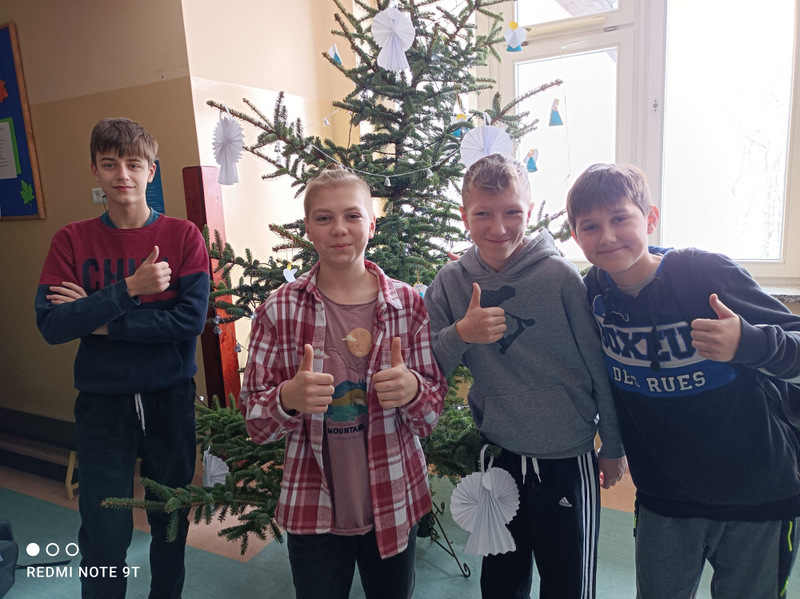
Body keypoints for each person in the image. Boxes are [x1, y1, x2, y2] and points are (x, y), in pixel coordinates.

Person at [566, 162, 800, 599]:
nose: (608, 236)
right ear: (576, 237)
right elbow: (595, 378)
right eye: (590, 226)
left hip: (759, 492)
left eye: (620, 218)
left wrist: (747, 342)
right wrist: (612, 447)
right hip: (664, 496)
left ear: (650, 218)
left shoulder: (705, 274)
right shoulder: (591, 292)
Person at [423, 153, 627, 599]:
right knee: (501, 580)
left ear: (530, 212)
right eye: (483, 214)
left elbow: (599, 367)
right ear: (464, 215)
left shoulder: (560, 277)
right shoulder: (450, 283)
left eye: (512, 212)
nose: (499, 228)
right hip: (500, 455)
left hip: (567, 457)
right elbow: (427, 367)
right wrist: (461, 333)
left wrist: (612, 446)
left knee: (568, 582)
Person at [239, 165, 446, 599]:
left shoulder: (408, 304)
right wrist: (287, 397)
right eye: (324, 218)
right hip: (312, 506)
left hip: (395, 499)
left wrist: (412, 391)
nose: (339, 229)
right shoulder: (279, 309)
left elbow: (430, 416)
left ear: (372, 224)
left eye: (352, 215)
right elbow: (256, 424)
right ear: (307, 229)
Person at [35, 118, 210, 599]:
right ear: (95, 170)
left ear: (151, 170)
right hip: (102, 403)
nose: (122, 175)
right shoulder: (71, 240)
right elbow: (52, 325)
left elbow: (188, 322)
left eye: (134, 164)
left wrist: (98, 319)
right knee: (103, 528)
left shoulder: (184, 236)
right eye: (110, 164)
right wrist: (129, 288)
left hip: (169, 397)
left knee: (169, 518)